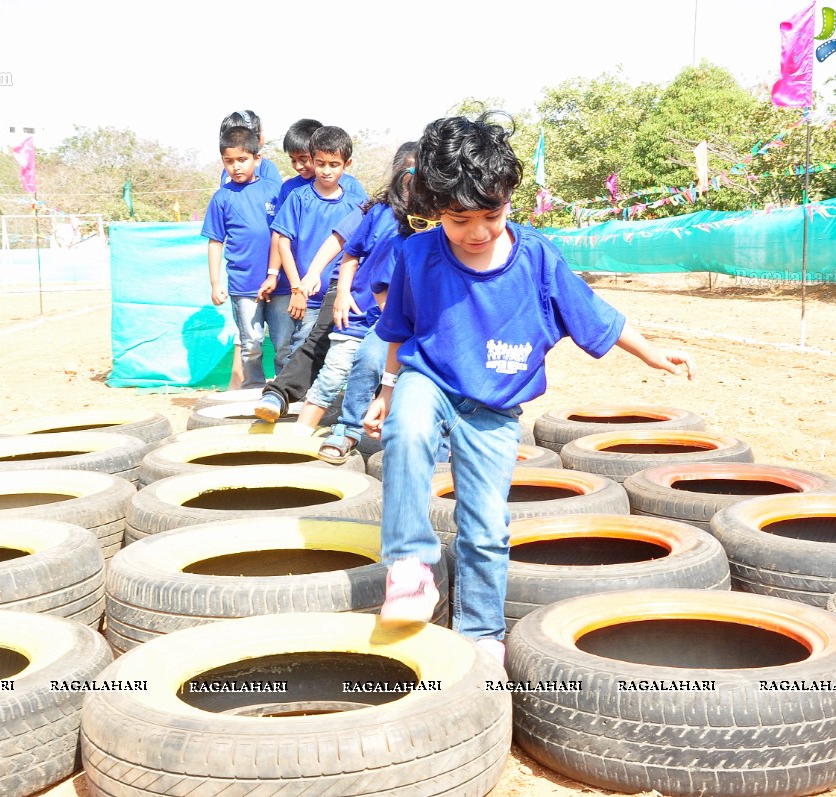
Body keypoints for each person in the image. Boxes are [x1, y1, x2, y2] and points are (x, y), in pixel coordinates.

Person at [363, 114, 696, 664]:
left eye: (489, 215)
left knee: (487, 527)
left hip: (494, 406)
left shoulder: (538, 257)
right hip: (430, 379)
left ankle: (481, 635)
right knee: (408, 430)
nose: (476, 232)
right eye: (458, 219)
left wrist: (652, 351)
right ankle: (410, 568)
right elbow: (398, 331)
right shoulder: (417, 257)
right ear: (434, 211)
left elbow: (595, 315)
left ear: (509, 197)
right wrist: (388, 389)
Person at [285, 142, 418, 453]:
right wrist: (341, 293)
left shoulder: (435, 221)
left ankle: (412, 442)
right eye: (408, 177)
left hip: (404, 319)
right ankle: (314, 435)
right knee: (338, 371)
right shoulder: (376, 212)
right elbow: (349, 251)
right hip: (359, 312)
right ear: (397, 176)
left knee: (394, 372)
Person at [259, 121, 367, 359]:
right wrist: (296, 287)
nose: (326, 170)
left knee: (341, 352)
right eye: (320, 164)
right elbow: (282, 240)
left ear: (346, 165)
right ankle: (295, 395)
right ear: (315, 159)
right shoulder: (297, 196)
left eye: (333, 165)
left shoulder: (354, 201)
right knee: (301, 350)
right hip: (306, 297)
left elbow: (361, 246)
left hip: (341, 294)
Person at [200, 123, 280, 390]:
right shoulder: (221, 198)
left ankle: (286, 392)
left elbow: (286, 236)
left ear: (257, 158)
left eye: (242, 160)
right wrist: (215, 283)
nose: (236, 167)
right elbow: (215, 242)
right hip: (243, 285)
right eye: (229, 161)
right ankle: (253, 392)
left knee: (285, 344)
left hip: (279, 284)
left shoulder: (274, 190)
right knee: (252, 344)